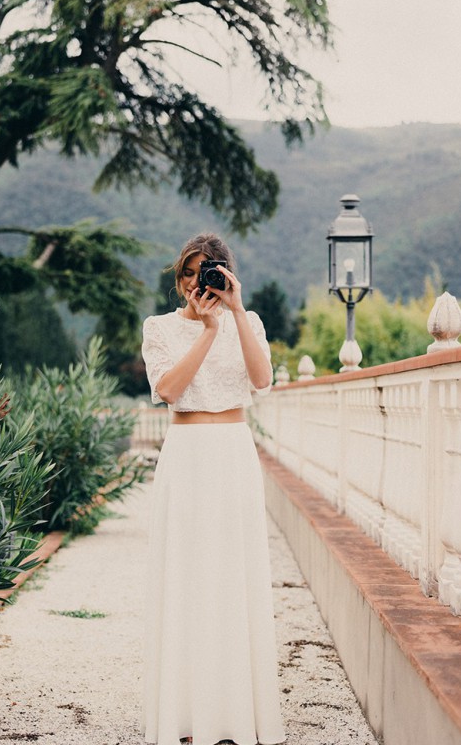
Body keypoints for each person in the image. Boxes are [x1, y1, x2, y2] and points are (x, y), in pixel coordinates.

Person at [141, 233, 285, 745]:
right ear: (180, 279)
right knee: (188, 580)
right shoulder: (158, 328)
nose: (198, 282)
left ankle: (232, 716)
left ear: (226, 275)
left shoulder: (249, 321)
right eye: (190, 272)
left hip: (233, 454)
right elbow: (169, 390)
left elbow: (262, 378)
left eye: (210, 271)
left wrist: (236, 313)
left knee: (232, 578)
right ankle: (185, 716)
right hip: (187, 459)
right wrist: (205, 331)